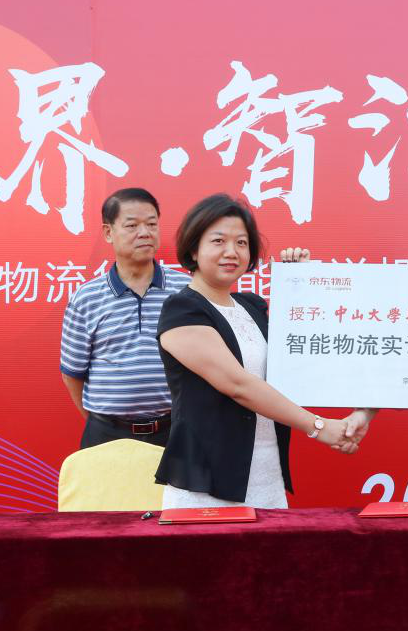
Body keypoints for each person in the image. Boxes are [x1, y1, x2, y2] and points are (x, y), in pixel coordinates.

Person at [155, 194, 360, 509]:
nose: (231, 252)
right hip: (206, 486)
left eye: (241, 242)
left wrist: (301, 283)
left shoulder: (252, 306)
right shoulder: (181, 310)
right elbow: (238, 384)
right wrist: (318, 427)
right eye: (218, 241)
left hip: (267, 476)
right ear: (194, 249)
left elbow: (305, 352)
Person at [60, 188, 189, 449]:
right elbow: (72, 373)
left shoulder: (185, 291)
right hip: (107, 433)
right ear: (108, 232)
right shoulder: (86, 298)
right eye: (132, 225)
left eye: (151, 224)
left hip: (174, 430)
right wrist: (101, 421)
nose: (145, 233)